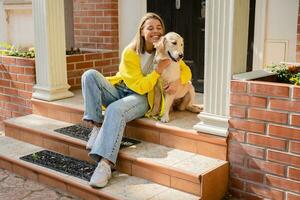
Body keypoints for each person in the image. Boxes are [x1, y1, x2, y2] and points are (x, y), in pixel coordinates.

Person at [81, 12, 192, 188]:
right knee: (89, 75)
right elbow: (139, 84)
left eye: (159, 27)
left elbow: (185, 70)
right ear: (141, 31)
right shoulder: (130, 52)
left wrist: (179, 81)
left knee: (115, 110)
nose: (155, 31)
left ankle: (105, 164)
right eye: (150, 28)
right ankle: (96, 125)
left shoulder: (165, 50)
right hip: (122, 89)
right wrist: (157, 71)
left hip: (141, 98)